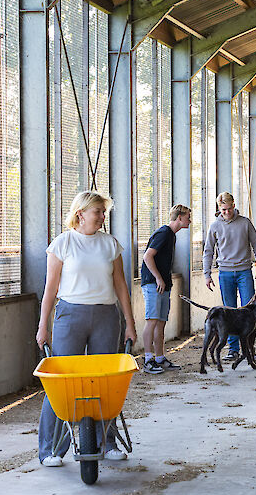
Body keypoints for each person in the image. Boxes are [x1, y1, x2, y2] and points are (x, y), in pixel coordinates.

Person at [35, 191, 138, 467]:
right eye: (98, 212)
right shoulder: (63, 243)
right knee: (61, 384)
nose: (103, 217)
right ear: (80, 213)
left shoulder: (110, 244)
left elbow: (120, 286)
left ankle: (107, 443)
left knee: (106, 384)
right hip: (70, 315)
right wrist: (42, 325)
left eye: (104, 212)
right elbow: (50, 288)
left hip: (106, 315)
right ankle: (51, 450)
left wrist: (130, 322)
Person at [203, 192, 256, 362]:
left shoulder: (245, 223)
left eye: (230, 209)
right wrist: (207, 274)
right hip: (225, 273)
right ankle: (233, 349)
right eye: (223, 210)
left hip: (244, 271)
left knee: (251, 311)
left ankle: (250, 349)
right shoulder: (215, 226)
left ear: (234, 205)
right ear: (218, 208)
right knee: (228, 313)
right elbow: (208, 251)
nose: (227, 212)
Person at [140, 204, 192, 374]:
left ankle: (160, 358)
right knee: (152, 320)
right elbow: (147, 256)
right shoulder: (163, 233)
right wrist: (158, 278)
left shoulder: (171, 235)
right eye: (187, 217)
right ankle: (148, 359)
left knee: (161, 322)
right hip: (153, 284)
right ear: (179, 217)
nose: (189, 220)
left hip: (163, 284)